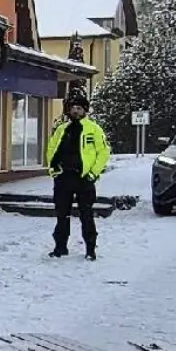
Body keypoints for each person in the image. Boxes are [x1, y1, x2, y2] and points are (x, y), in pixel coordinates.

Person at [44, 90, 111, 261]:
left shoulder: (93, 129)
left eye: (79, 108)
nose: (75, 111)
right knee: (61, 215)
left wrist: (93, 173)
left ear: (85, 110)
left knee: (86, 214)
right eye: (73, 108)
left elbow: (103, 152)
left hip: (84, 179)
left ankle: (90, 249)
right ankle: (60, 247)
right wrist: (53, 169)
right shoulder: (61, 129)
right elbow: (51, 149)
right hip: (63, 178)